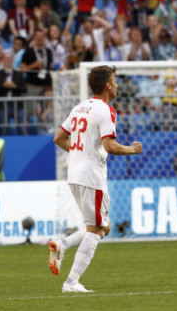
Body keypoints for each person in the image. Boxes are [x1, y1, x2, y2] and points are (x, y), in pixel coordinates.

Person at [49, 65, 143, 293]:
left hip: (74, 175)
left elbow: (59, 138)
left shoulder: (79, 107)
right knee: (95, 230)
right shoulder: (105, 110)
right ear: (108, 85)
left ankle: (62, 245)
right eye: (115, 80)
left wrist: (80, 153)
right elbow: (110, 146)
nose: (117, 84)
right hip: (91, 177)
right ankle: (71, 282)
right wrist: (132, 149)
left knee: (103, 226)